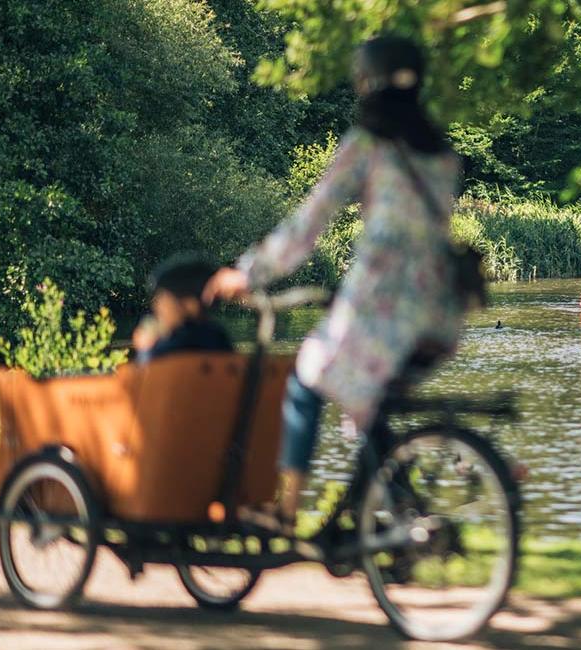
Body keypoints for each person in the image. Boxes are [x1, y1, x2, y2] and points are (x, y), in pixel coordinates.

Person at [205, 36, 463, 534]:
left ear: (366, 83)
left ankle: (285, 509)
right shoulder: (441, 154)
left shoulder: (366, 146)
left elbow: (309, 224)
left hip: (384, 305)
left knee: (306, 377)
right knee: (367, 403)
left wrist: (248, 271)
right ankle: (392, 517)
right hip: (440, 312)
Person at [132, 254, 233, 362]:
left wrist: (145, 349)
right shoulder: (221, 339)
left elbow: (145, 373)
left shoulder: (164, 350)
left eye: (164, 300)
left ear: (190, 304)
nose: (157, 307)